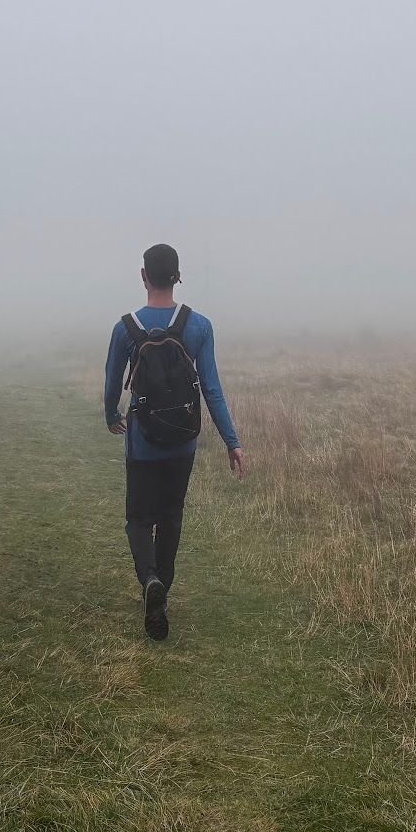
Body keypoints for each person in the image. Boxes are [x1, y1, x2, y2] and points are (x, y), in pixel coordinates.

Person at [104, 243, 244, 640]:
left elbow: (112, 384)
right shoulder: (199, 326)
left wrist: (112, 416)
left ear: (143, 277)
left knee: (138, 518)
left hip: (142, 443)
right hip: (183, 443)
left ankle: (149, 579)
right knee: (171, 517)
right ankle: (161, 589)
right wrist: (232, 441)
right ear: (178, 277)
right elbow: (212, 389)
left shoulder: (126, 328)